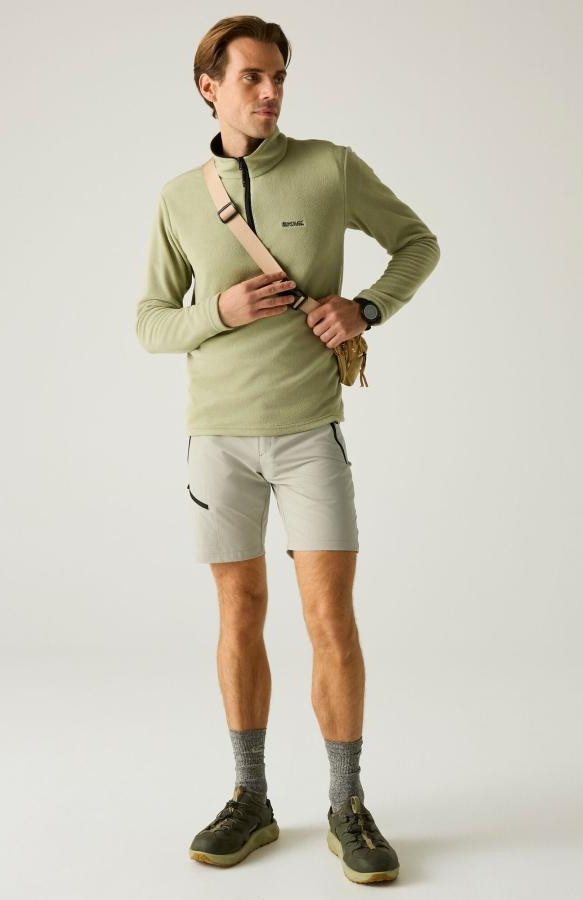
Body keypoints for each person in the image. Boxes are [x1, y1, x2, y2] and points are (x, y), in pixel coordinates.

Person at [136, 15, 440, 885]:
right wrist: (219, 312)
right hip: (218, 440)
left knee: (329, 619)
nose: (270, 93)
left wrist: (366, 308)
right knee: (239, 614)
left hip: (310, 434)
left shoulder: (329, 167)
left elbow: (418, 243)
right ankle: (252, 797)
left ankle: (347, 804)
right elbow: (150, 322)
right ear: (210, 88)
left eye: (278, 78)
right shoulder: (179, 197)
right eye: (252, 78)